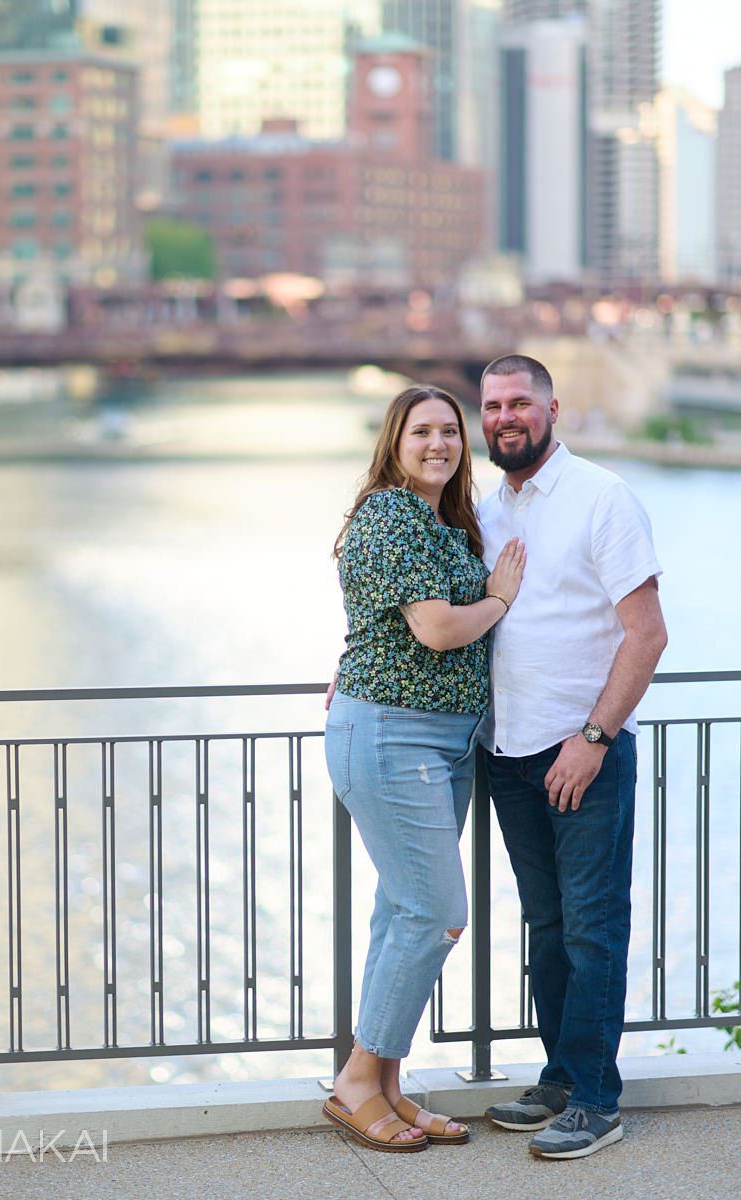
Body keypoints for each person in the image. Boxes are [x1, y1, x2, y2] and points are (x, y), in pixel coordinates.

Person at [323, 384, 525, 1153]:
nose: (439, 443)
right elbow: (438, 629)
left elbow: (384, 623)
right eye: (422, 432)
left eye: (450, 431)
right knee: (437, 913)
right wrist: (500, 598)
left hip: (445, 741)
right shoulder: (389, 513)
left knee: (401, 913)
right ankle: (354, 1082)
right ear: (395, 442)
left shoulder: (443, 522)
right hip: (393, 739)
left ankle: (387, 1086)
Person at [477, 354, 667, 1160]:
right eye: (490, 406)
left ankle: (596, 1099)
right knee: (548, 925)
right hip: (508, 754)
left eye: (519, 402)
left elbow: (647, 632)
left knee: (592, 928)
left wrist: (592, 740)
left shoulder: (602, 497)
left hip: (581, 753)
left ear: (552, 408)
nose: (504, 417)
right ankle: (560, 1079)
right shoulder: (485, 510)